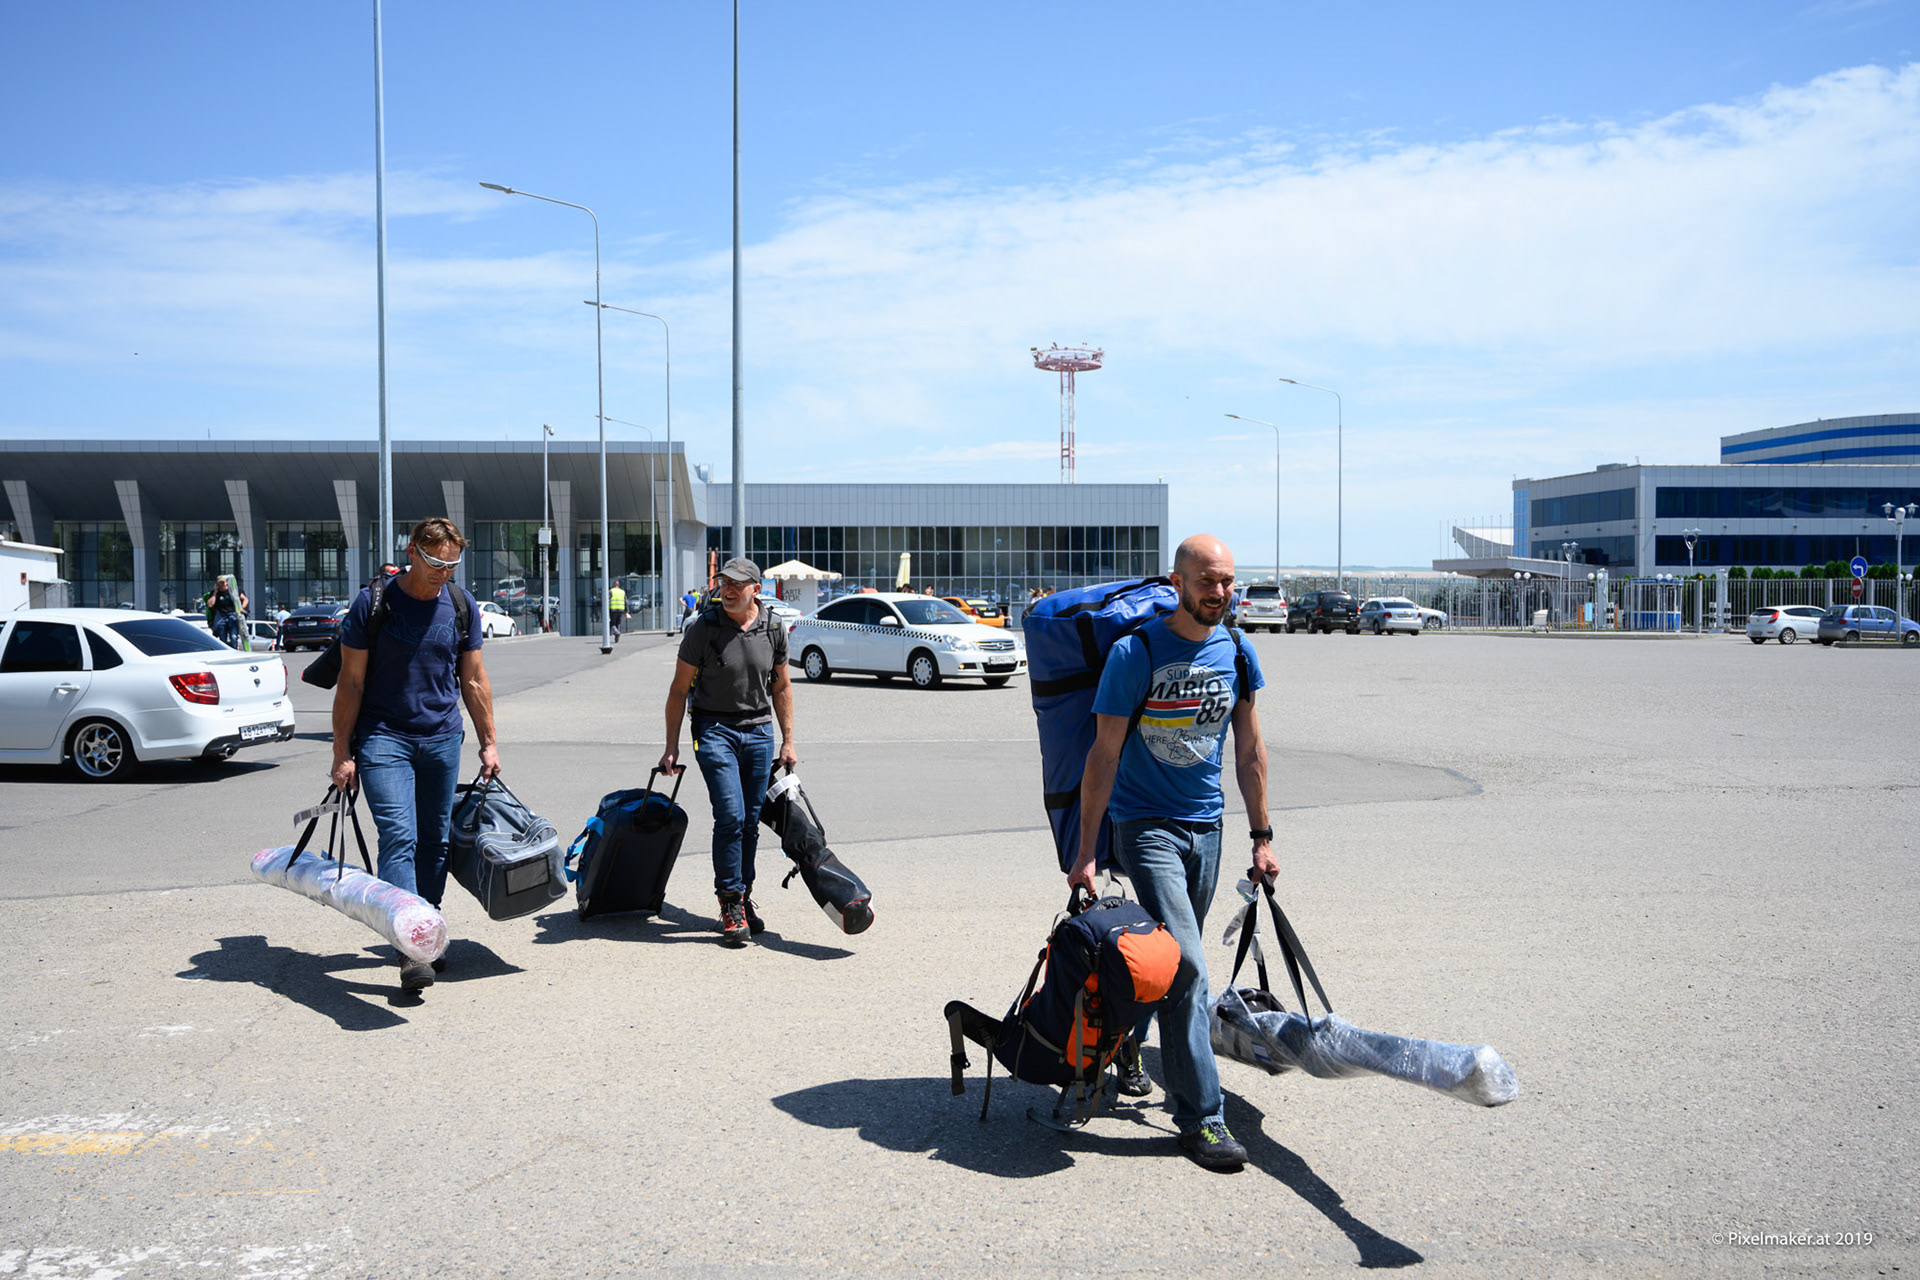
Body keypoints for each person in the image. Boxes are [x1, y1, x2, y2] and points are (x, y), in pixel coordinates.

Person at [1070, 533, 1277, 1171]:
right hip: (1145, 824)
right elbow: (1103, 756)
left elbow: (1249, 750)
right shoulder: (1137, 652)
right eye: (1208, 581)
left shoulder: (1237, 650)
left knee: (1161, 963)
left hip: (1207, 828)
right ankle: (1204, 1119)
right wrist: (1086, 851)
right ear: (1177, 582)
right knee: (1187, 965)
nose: (1220, 593)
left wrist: (1262, 837)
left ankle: (1127, 1044)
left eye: (1227, 582)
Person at [329, 517, 500, 993]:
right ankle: (411, 944)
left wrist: (489, 742)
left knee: (435, 840)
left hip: (443, 736)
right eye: (435, 562)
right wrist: (343, 752)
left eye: (452, 564)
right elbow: (351, 683)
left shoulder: (461, 605)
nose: (443, 572)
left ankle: (427, 926)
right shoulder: (373, 603)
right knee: (399, 836)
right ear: (412, 552)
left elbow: (474, 679)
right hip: (384, 736)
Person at [658, 557, 797, 946]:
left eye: (738, 583)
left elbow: (782, 688)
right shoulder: (704, 628)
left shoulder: (772, 627)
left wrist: (787, 740)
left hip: (758, 730)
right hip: (713, 729)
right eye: (724, 582)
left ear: (756, 589)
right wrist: (671, 746)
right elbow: (678, 690)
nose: (728, 589)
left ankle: (744, 896)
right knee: (731, 816)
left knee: (751, 821)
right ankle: (730, 901)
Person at [207, 574, 249, 649]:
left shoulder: (234, 590)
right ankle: (224, 650)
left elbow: (245, 599)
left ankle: (235, 649)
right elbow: (210, 604)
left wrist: (241, 608)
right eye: (220, 583)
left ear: (226, 582)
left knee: (233, 636)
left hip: (233, 614)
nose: (222, 585)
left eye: (223, 582)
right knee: (222, 636)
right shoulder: (215, 592)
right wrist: (215, 592)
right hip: (221, 615)